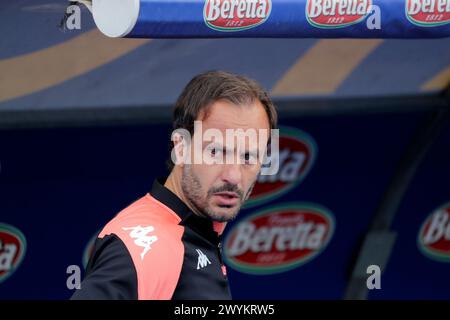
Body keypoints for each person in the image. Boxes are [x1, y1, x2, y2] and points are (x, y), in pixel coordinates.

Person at [71, 70, 278, 300]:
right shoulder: (151, 248)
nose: (233, 176)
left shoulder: (195, 233)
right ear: (181, 148)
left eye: (249, 156)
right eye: (216, 152)